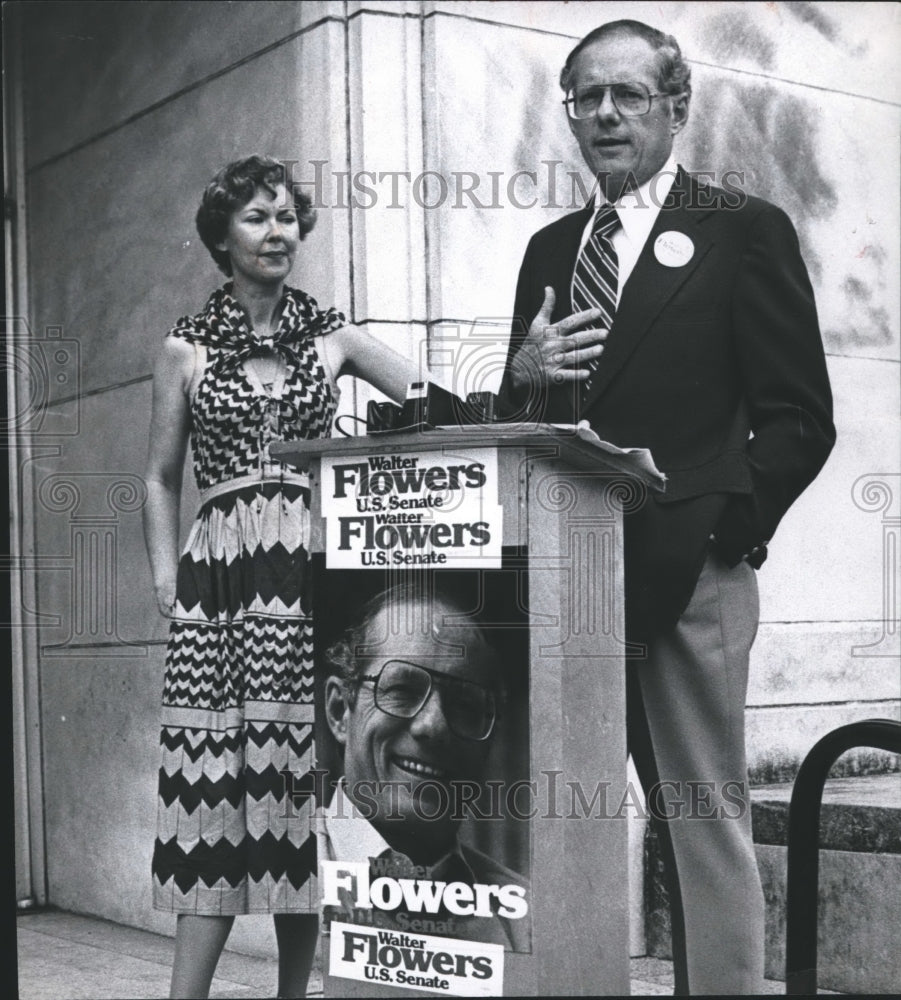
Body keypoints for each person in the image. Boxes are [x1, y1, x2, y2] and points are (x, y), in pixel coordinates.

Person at [500, 20, 835, 995]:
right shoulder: (550, 251)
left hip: (692, 575)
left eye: (628, 94)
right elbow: (533, 421)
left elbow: (799, 417)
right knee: (560, 814)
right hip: (569, 581)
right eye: (586, 98)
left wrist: (722, 532)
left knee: (699, 819)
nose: (604, 113)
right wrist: (519, 377)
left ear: (675, 107)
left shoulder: (740, 228)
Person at [143, 155, 423, 999]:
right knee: (213, 790)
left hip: (314, 577)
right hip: (221, 584)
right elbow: (159, 476)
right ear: (222, 239)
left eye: (287, 218)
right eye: (257, 218)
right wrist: (167, 580)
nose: (277, 232)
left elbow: (424, 398)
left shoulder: (330, 334)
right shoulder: (184, 348)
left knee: (302, 785)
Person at [317, 584, 531, 953]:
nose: (434, 726)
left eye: (465, 704)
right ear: (340, 711)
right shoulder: (272, 884)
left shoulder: (526, 921)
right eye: (401, 688)